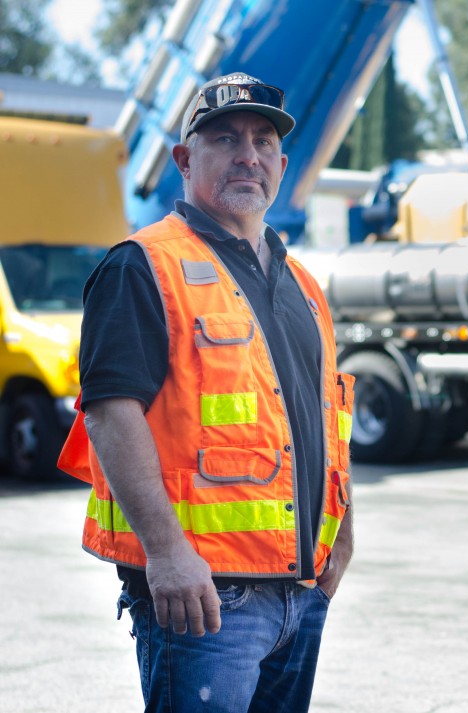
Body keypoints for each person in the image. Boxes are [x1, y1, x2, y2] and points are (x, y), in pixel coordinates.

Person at [58, 73, 355, 713]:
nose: (248, 154)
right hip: (206, 595)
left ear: (281, 164)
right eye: (225, 139)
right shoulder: (143, 265)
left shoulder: (301, 282)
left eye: (262, 140)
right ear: (186, 160)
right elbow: (111, 414)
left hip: (300, 588)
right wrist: (166, 554)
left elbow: (327, 414)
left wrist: (344, 534)